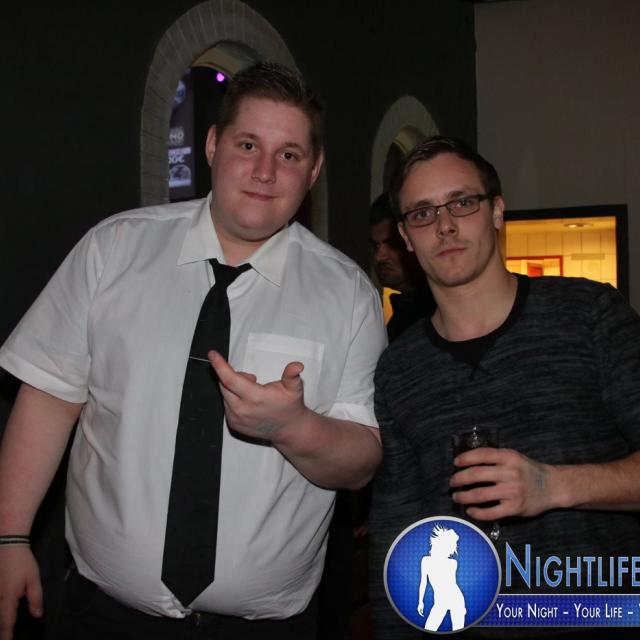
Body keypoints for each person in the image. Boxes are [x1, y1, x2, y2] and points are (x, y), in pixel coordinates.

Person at [0, 62, 386, 640]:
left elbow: (362, 462)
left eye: (288, 154)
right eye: (248, 145)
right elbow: (50, 397)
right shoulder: (114, 250)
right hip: (101, 617)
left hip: (266, 631)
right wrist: (9, 537)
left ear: (314, 170)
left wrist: (293, 427)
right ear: (211, 144)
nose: (264, 171)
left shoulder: (349, 294)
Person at [369, 135, 640, 638]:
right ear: (405, 235)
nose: (445, 225)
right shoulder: (398, 371)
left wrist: (554, 486)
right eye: (423, 213)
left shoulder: (589, 316)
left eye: (462, 203)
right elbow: (398, 534)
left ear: (496, 211)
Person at [368, 193, 434, 342]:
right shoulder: (403, 311)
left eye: (393, 244)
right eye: (375, 246)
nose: (379, 257)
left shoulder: (438, 316)